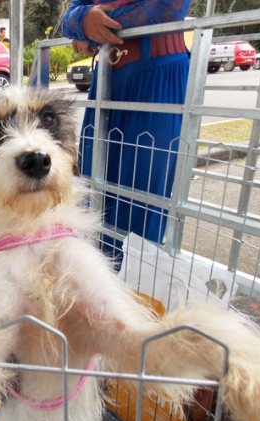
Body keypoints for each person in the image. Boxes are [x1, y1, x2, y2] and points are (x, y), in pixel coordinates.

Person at [62, 0, 191, 262]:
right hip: (106, 76)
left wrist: (92, 25)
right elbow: (71, 15)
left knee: (145, 193)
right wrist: (84, 20)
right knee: (92, 187)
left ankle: (136, 288)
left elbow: (170, 7)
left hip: (158, 72)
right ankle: (95, 285)